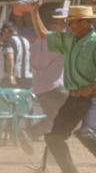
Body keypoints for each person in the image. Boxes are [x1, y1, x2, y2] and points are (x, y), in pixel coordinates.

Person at [27, 1, 96, 173]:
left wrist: (91, 86)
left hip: (93, 97)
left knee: (87, 133)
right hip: (72, 98)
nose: (68, 25)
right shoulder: (69, 39)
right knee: (54, 137)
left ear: (85, 23)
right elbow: (42, 34)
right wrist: (34, 11)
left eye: (72, 22)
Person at [23, 10, 67, 151]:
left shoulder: (36, 43)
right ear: (53, 26)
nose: (67, 25)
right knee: (63, 119)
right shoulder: (60, 40)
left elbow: (34, 64)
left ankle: (51, 150)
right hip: (55, 86)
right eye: (64, 23)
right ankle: (32, 133)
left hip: (40, 88)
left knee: (54, 119)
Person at [2, 21, 32, 91]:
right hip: (28, 79)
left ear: (6, 31)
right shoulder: (27, 41)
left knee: (5, 100)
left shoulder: (9, 41)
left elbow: (10, 57)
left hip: (14, 79)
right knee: (24, 100)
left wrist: (10, 75)